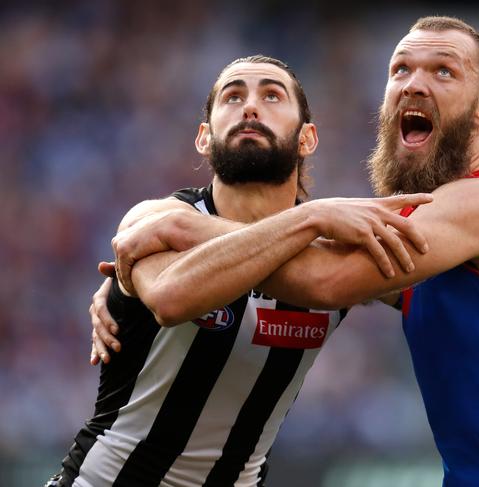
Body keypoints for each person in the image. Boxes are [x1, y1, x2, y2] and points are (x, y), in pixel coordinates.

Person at [91, 17, 479, 486]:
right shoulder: (438, 247)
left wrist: (184, 237)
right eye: (400, 69)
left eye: (443, 71)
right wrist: (128, 283)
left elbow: (322, 278)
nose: (413, 83)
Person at [47, 55, 433, 487]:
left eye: (272, 95)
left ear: (307, 138)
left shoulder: (335, 248)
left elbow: (445, 290)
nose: (250, 107)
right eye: (233, 96)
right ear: (204, 139)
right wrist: (313, 218)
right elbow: (172, 300)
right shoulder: (155, 219)